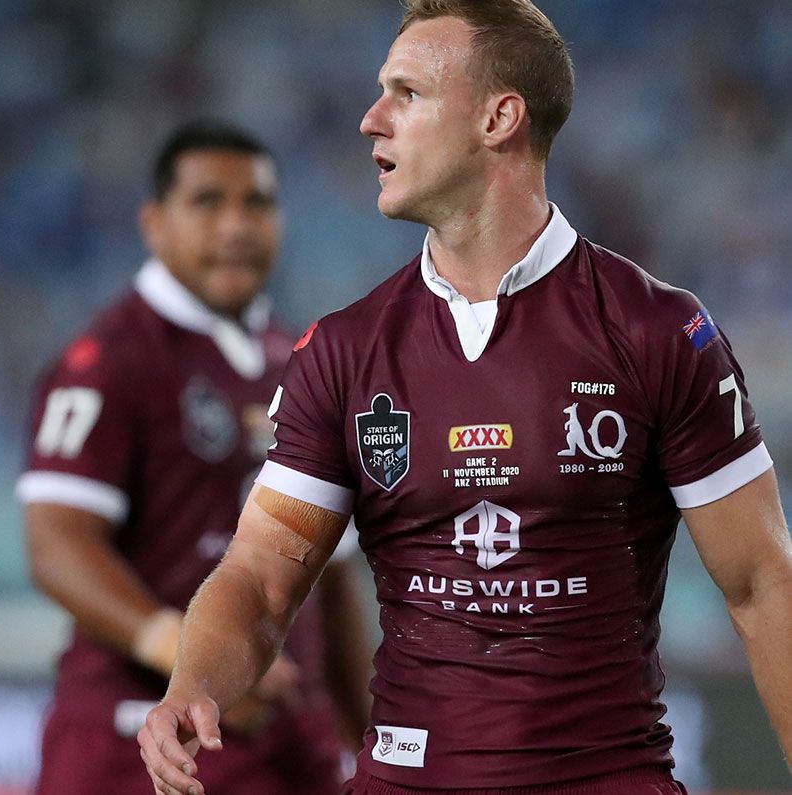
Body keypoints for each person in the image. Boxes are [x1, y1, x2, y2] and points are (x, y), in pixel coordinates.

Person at [139, 2, 792, 794]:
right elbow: (260, 574)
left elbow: (762, 583)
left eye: (406, 93)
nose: (370, 120)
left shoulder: (660, 330)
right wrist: (193, 685)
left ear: (499, 117)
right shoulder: (344, 350)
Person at [18, 123, 372, 794]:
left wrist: (370, 735)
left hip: (286, 740)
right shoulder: (108, 362)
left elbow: (330, 574)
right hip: (138, 745)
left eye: (257, 204)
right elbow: (57, 544)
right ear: (154, 223)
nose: (236, 226)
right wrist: (200, 664)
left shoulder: (301, 359)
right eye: (209, 202)